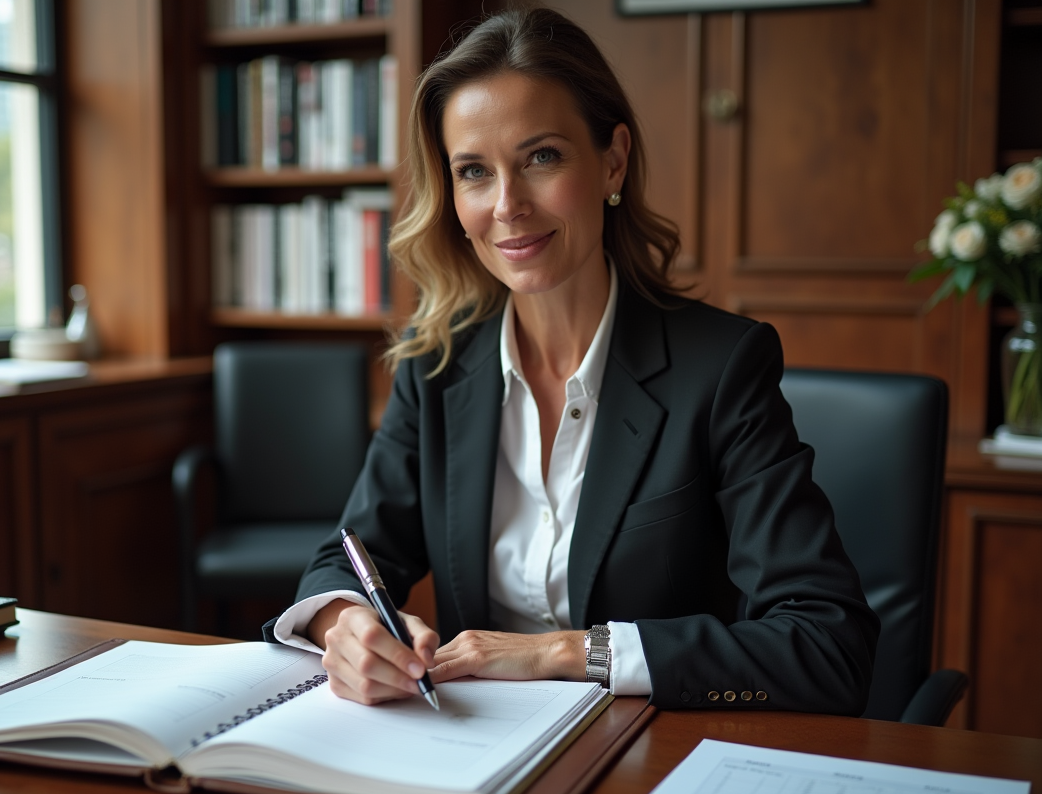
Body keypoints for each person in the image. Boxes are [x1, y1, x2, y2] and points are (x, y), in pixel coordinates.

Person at [267, 8, 879, 714]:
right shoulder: (437, 367)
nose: (507, 205)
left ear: (612, 160)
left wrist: (568, 651)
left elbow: (830, 645)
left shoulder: (721, 368)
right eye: (473, 172)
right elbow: (345, 562)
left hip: (650, 752)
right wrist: (343, 625)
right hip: (477, 750)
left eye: (542, 157)